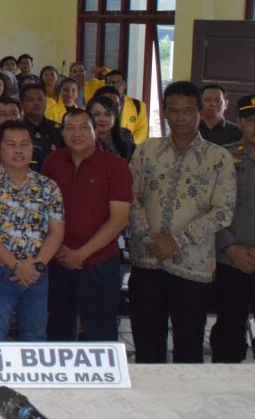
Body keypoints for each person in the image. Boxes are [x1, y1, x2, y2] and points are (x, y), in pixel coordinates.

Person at [128, 81, 236, 363]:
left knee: (188, 348)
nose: (180, 118)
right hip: (147, 262)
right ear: (164, 112)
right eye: (173, 111)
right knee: (147, 346)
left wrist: (177, 240)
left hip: (192, 266)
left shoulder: (218, 158)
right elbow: (129, 198)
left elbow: (223, 211)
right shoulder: (146, 151)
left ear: (200, 112)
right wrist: (150, 238)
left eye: (187, 111)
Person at [41, 109, 132, 342]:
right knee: (59, 328)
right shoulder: (53, 161)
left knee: (100, 330)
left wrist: (81, 254)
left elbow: (119, 219)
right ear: (63, 133)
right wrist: (58, 249)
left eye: (84, 127)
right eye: (70, 128)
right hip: (59, 259)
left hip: (99, 262)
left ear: (95, 131)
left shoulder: (115, 166)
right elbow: (42, 209)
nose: (77, 133)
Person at [0, 121, 65, 342]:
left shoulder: (48, 187)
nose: (19, 150)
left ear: (32, 149)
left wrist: (36, 266)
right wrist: (16, 266)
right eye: (11, 145)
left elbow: (57, 232)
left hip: (37, 274)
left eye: (24, 144)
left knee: (35, 338)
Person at [210, 94, 255, 361]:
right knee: (229, 333)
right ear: (239, 121)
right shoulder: (223, 157)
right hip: (231, 261)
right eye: (251, 120)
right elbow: (208, 207)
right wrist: (229, 247)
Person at [0, 97, 43, 174]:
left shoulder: (35, 148)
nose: (9, 118)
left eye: (13, 114)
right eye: (3, 114)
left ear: (21, 118)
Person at [20, 84, 64, 164]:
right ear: (22, 104)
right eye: (30, 100)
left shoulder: (58, 129)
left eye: (40, 99)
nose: (36, 103)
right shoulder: (15, 130)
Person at [104, 70, 148, 144]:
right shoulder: (98, 104)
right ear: (106, 86)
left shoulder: (138, 105)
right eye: (110, 83)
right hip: (104, 146)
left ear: (125, 85)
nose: (115, 85)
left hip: (128, 147)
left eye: (118, 82)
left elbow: (141, 131)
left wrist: (129, 146)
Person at [86, 95, 135, 160]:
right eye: (97, 114)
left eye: (108, 114)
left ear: (115, 117)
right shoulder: (79, 141)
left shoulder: (126, 138)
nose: (102, 119)